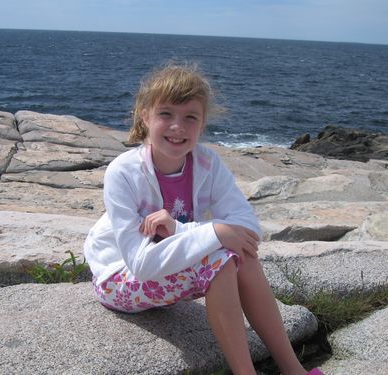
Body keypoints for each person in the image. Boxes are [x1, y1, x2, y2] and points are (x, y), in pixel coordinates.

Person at [84, 63, 324, 375]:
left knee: (242, 254)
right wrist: (216, 233)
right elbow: (140, 264)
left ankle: (293, 370)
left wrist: (185, 228)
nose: (177, 127)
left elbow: (248, 230)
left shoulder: (207, 164)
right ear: (145, 116)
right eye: (166, 114)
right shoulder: (123, 172)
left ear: (202, 123)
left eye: (190, 117)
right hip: (119, 278)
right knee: (220, 257)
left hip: (170, 267)